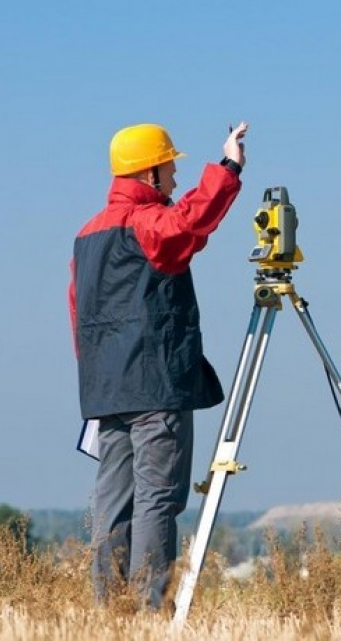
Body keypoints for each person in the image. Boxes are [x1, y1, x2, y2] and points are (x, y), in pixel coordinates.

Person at [68, 121, 249, 610]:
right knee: (157, 498)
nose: (173, 178)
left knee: (114, 503)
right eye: (169, 168)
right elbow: (187, 223)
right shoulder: (143, 224)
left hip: (106, 391)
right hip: (153, 386)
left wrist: (98, 378)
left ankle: (110, 612)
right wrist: (228, 168)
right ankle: (150, 610)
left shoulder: (87, 235)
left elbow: (77, 313)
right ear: (149, 172)